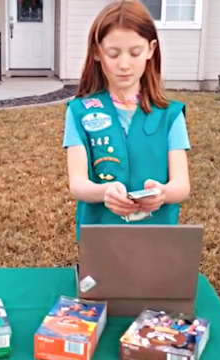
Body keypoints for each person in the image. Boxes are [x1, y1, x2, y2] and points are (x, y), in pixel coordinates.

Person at [63, 0, 191, 239]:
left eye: (135, 53)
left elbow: (182, 185)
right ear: (97, 52)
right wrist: (105, 192)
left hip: (157, 239)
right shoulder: (79, 111)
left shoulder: (170, 114)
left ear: (151, 50)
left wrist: (162, 193)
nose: (124, 65)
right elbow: (78, 183)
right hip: (101, 239)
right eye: (113, 53)